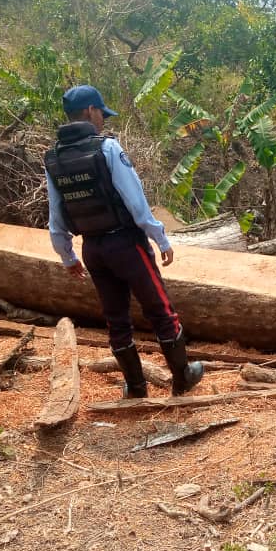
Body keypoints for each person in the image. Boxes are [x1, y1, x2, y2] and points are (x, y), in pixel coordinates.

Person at [44, 84, 203, 398]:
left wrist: (67, 256)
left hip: (93, 249)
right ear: (90, 111)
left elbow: (56, 214)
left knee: (115, 317)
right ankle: (182, 377)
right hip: (126, 244)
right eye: (101, 112)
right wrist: (160, 237)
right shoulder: (107, 149)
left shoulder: (54, 158)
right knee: (160, 310)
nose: (103, 119)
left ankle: (135, 386)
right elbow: (136, 202)